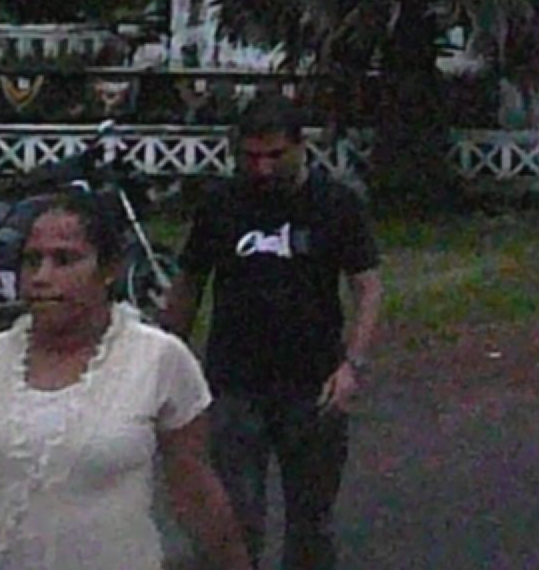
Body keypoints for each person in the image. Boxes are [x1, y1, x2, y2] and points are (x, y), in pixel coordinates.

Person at [0, 194, 252, 570]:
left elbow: (199, 497)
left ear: (109, 270)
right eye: (31, 260)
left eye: (65, 260)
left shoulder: (159, 360)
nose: (42, 277)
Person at [162, 95, 382, 570]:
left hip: (313, 387)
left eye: (274, 156)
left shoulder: (336, 204)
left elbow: (367, 287)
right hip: (234, 386)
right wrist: (166, 363)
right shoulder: (221, 205)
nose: (262, 169)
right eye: (251, 157)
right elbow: (188, 286)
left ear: (301, 147)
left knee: (311, 523)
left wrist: (353, 365)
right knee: (235, 522)